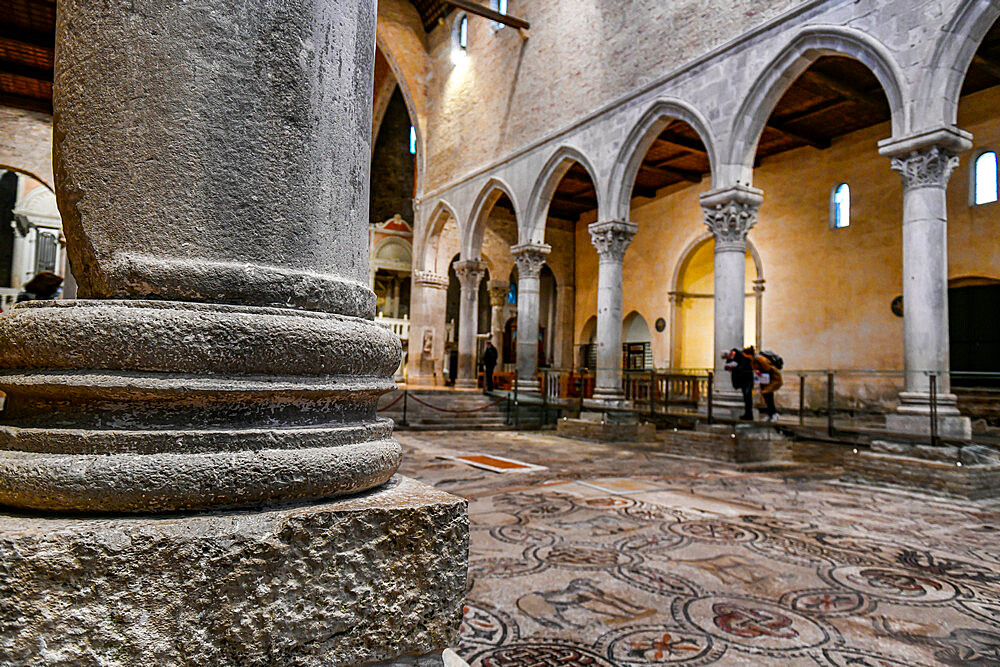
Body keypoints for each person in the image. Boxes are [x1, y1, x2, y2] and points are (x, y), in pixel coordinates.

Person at [751, 347, 783, 422]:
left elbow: (768, 368)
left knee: (768, 395)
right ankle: (770, 414)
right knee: (767, 396)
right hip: (766, 380)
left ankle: (774, 414)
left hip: (773, 379)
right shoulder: (756, 358)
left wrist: (759, 371)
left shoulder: (759, 358)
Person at [723, 347, 755, 420]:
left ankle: (749, 414)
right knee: (746, 397)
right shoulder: (738, 358)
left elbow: (741, 368)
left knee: (747, 397)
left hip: (747, 381)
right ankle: (748, 414)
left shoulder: (743, 358)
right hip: (745, 381)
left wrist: (734, 368)